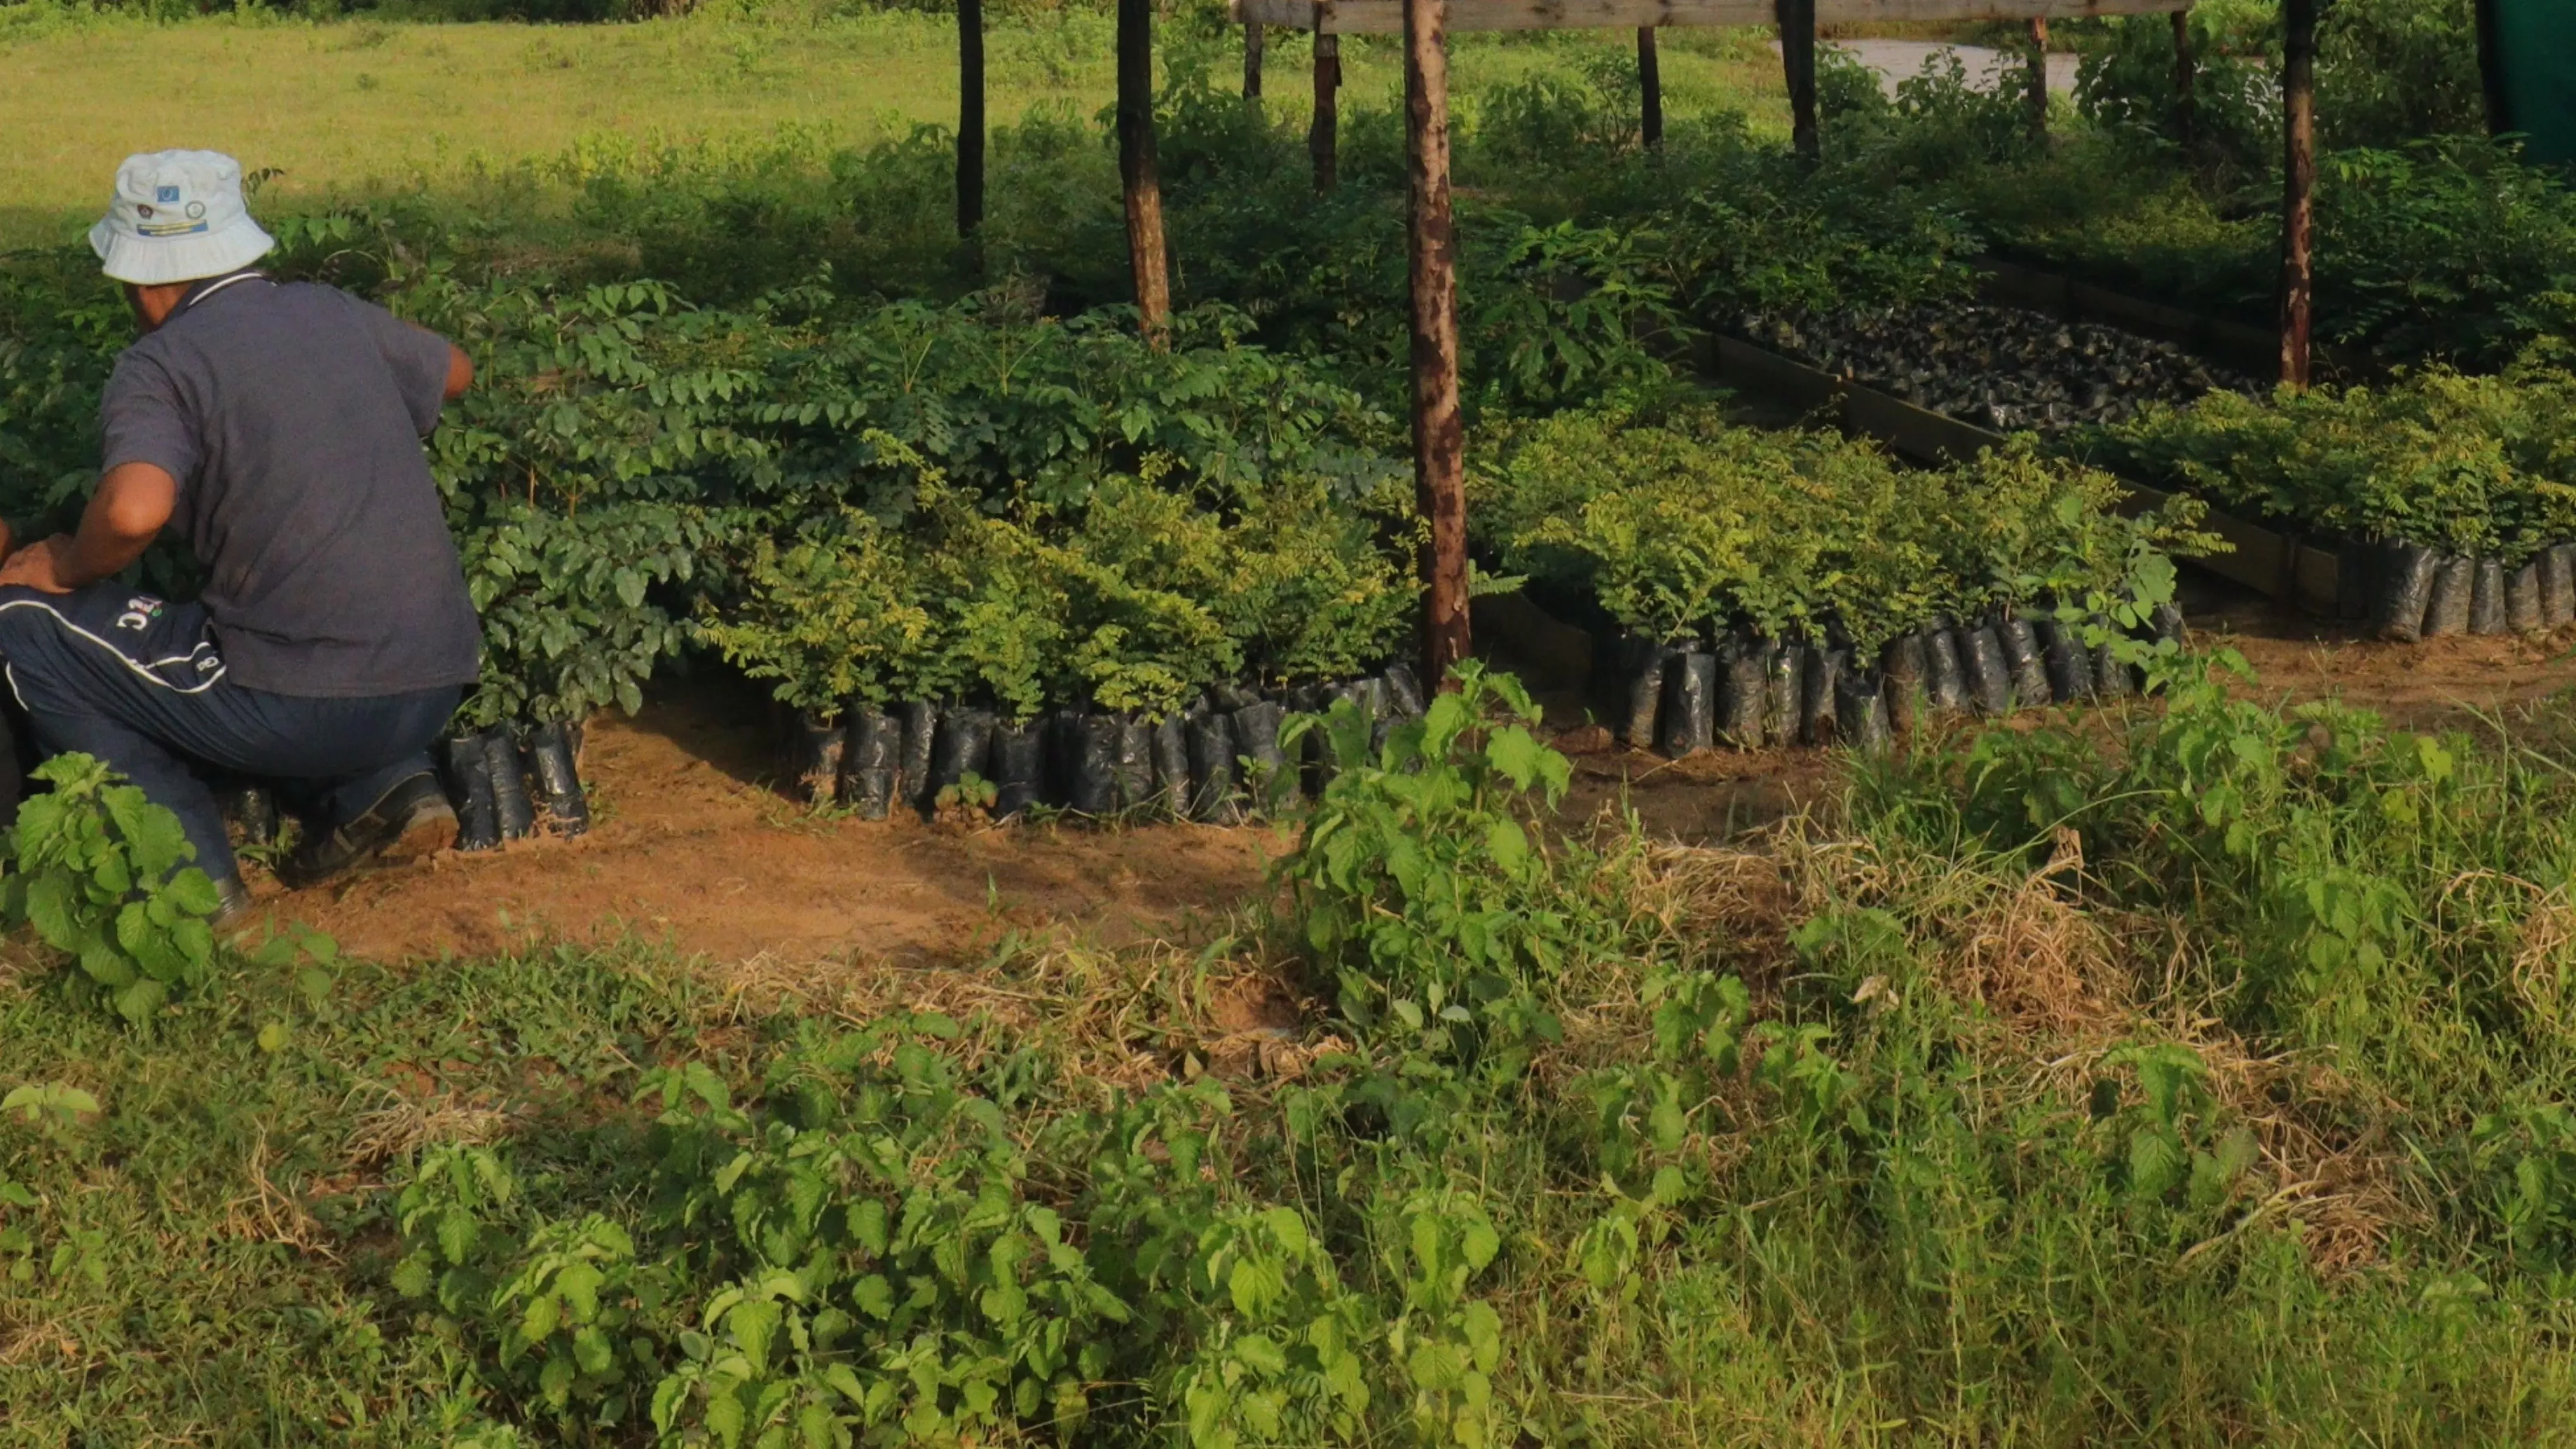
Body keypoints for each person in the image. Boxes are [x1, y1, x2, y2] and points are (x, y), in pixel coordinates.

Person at [0, 149, 482, 921]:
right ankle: (387, 789)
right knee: (298, 616)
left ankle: (189, 880)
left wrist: (61, 561)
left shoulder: (161, 362)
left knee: (22, 626)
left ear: (140, 280)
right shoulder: (327, 310)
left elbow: (132, 512)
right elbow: (453, 371)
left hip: (299, 701)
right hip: (436, 680)